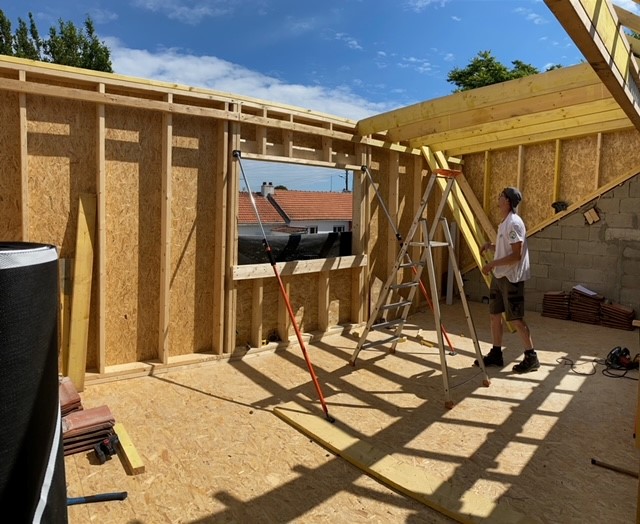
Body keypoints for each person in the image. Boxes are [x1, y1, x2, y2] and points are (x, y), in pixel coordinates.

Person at [474, 187, 539, 373]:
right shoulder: (504, 223)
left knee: (516, 319)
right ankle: (496, 354)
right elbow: (507, 248)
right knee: (495, 315)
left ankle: (531, 357)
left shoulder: (514, 223)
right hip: (500, 275)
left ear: (508, 201)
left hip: (512, 277)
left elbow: (516, 255)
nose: (498, 198)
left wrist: (492, 263)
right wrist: (491, 246)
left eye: (501, 196)